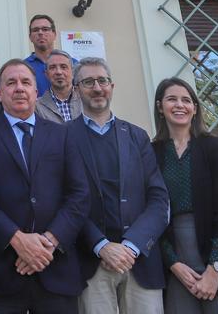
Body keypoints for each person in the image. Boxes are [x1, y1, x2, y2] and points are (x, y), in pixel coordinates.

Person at [0, 59, 91, 314]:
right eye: (11, 83)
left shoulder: (62, 135)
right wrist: (17, 240)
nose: (19, 88)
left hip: (55, 268)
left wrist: (48, 243)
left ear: (36, 92)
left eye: (25, 82)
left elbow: (79, 194)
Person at [67, 56, 169, 314]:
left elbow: (158, 199)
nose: (97, 88)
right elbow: (63, 200)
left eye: (102, 80)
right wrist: (101, 245)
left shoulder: (137, 136)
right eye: (88, 82)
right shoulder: (63, 137)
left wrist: (131, 246)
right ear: (76, 90)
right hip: (91, 262)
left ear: (112, 86)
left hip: (140, 260)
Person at [150, 78, 218, 314]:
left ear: (195, 108)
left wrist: (215, 268)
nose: (180, 105)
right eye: (171, 99)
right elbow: (150, 212)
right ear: (160, 107)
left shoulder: (212, 146)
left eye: (186, 100)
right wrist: (174, 264)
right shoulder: (152, 152)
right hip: (175, 262)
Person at [34, 49, 84, 124]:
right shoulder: (37, 107)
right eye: (53, 67)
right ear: (46, 74)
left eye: (63, 67)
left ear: (73, 72)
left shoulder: (86, 99)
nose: (58, 72)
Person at [24, 15, 63, 96]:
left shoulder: (71, 64)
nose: (40, 33)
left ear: (54, 34)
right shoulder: (23, 67)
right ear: (30, 37)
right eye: (35, 30)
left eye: (45, 29)